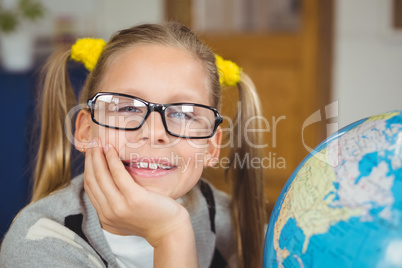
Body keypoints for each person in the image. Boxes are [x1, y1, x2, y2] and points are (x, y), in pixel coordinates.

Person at [0, 22, 267, 267]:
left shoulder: (229, 220)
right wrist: (170, 234)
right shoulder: (37, 248)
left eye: (183, 114)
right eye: (127, 107)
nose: (154, 132)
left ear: (210, 148)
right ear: (84, 130)